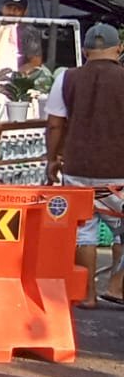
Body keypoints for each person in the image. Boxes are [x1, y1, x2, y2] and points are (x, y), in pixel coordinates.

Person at [45, 23, 124, 307]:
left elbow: (55, 124)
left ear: (85, 50)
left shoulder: (66, 78)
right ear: (119, 48)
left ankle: (86, 294)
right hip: (118, 174)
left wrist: (52, 159)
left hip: (77, 169)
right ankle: (117, 288)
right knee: (121, 229)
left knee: (84, 230)